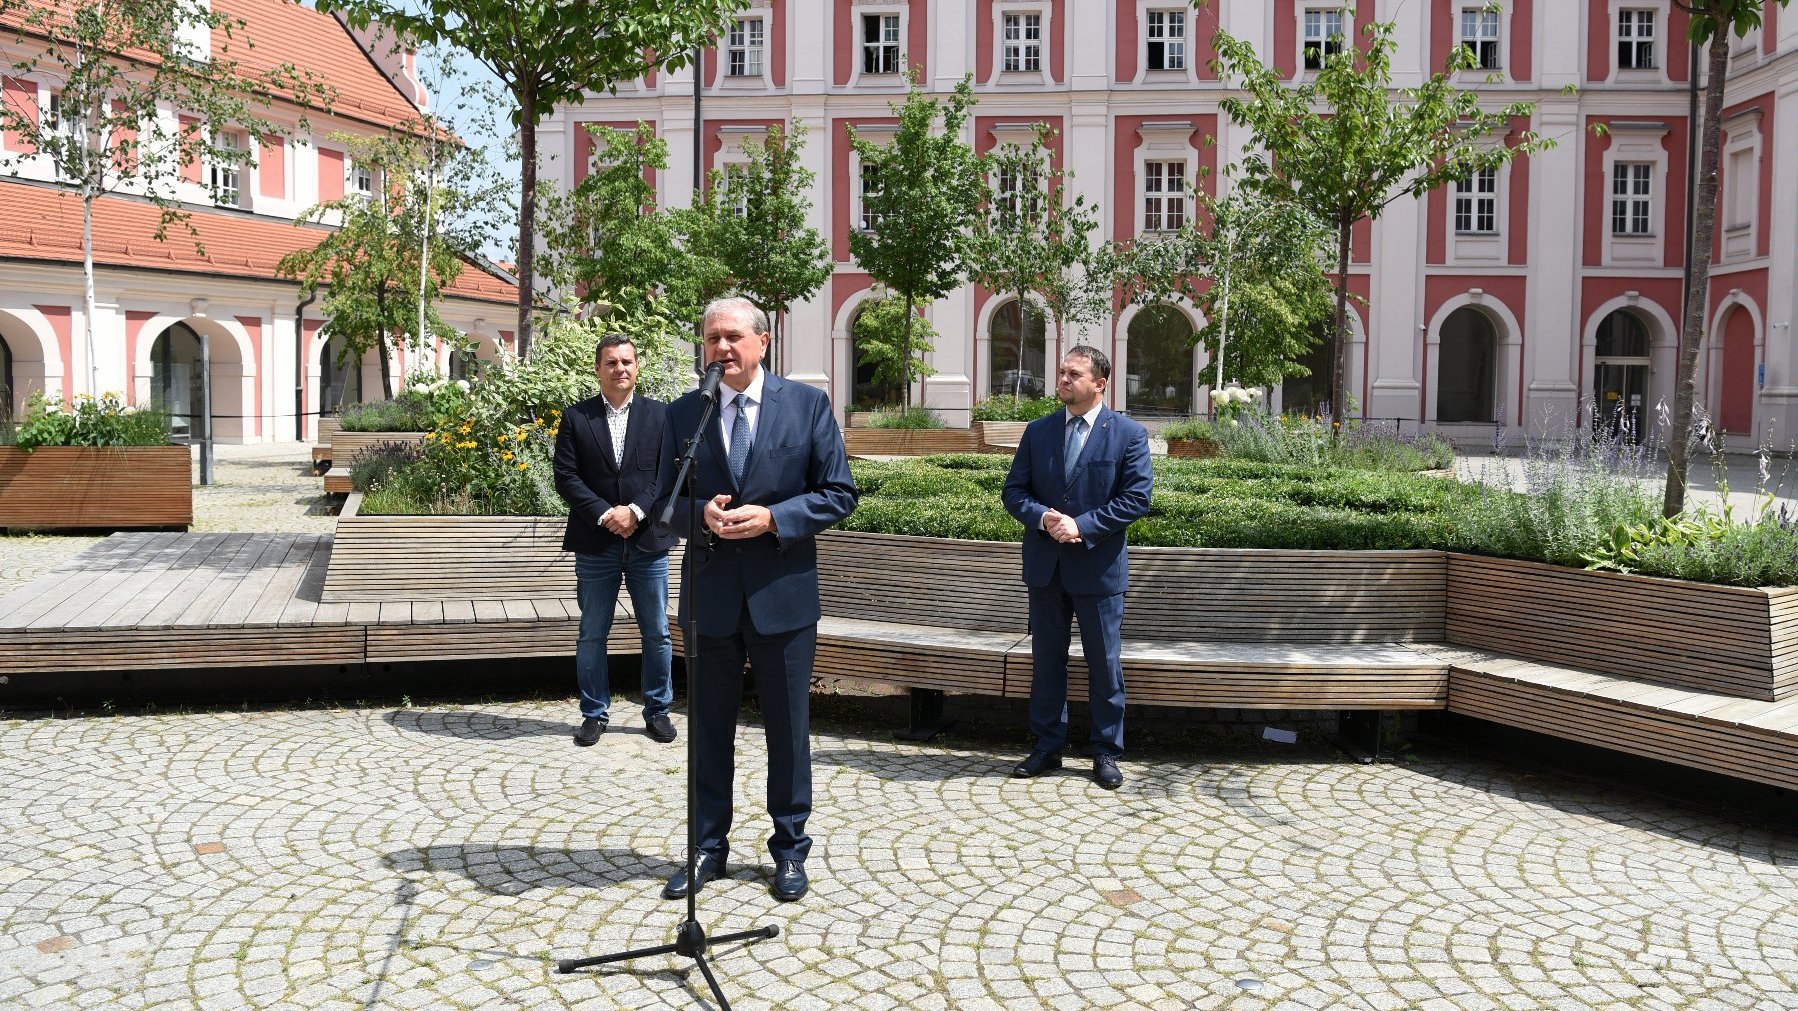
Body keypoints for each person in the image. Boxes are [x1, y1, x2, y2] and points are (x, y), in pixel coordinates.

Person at [659, 296, 857, 903]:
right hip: (711, 598)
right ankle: (706, 847)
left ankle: (790, 850)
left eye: (733, 337)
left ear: (763, 342)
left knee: (788, 731)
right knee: (707, 730)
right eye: (712, 337)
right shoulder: (683, 415)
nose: (721, 348)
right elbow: (662, 506)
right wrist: (701, 514)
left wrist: (774, 517)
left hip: (782, 596)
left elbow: (838, 494)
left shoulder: (807, 405)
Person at [1001, 345, 1153, 789]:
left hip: (1097, 569)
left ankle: (1105, 751)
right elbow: (1015, 492)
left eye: (1074, 374)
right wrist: (1042, 517)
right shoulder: (1039, 431)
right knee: (1047, 662)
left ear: (1099, 383)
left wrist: (1081, 526)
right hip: (1046, 569)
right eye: (1062, 372)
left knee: (1104, 664)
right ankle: (1047, 747)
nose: (1063, 379)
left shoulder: (1128, 434)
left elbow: (1136, 498)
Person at [553, 333, 678, 748]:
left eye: (627, 361)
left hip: (647, 543)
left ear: (636, 367)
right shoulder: (576, 418)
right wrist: (608, 514)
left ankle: (658, 711)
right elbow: (566, 477)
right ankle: (593, 714)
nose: (620, 368)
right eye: (611, 362)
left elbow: (666, 475)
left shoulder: (662, 417)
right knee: (592, 632)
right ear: (598, 369)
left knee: (657, 631)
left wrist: (636, 512)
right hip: (596, 542)